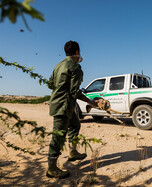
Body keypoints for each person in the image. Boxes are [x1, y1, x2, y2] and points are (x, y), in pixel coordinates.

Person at [47, 41, 97, 179]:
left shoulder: (58, 66)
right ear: (77, 51)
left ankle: (73, 152)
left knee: (75, 125)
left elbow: (50, 83)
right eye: (79, 51)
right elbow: (75, 92)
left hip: (60, 104)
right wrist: (91, 102)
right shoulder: (75, 67)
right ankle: (51, 168)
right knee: (58, 136)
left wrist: (60, 90)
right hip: (63, 106)